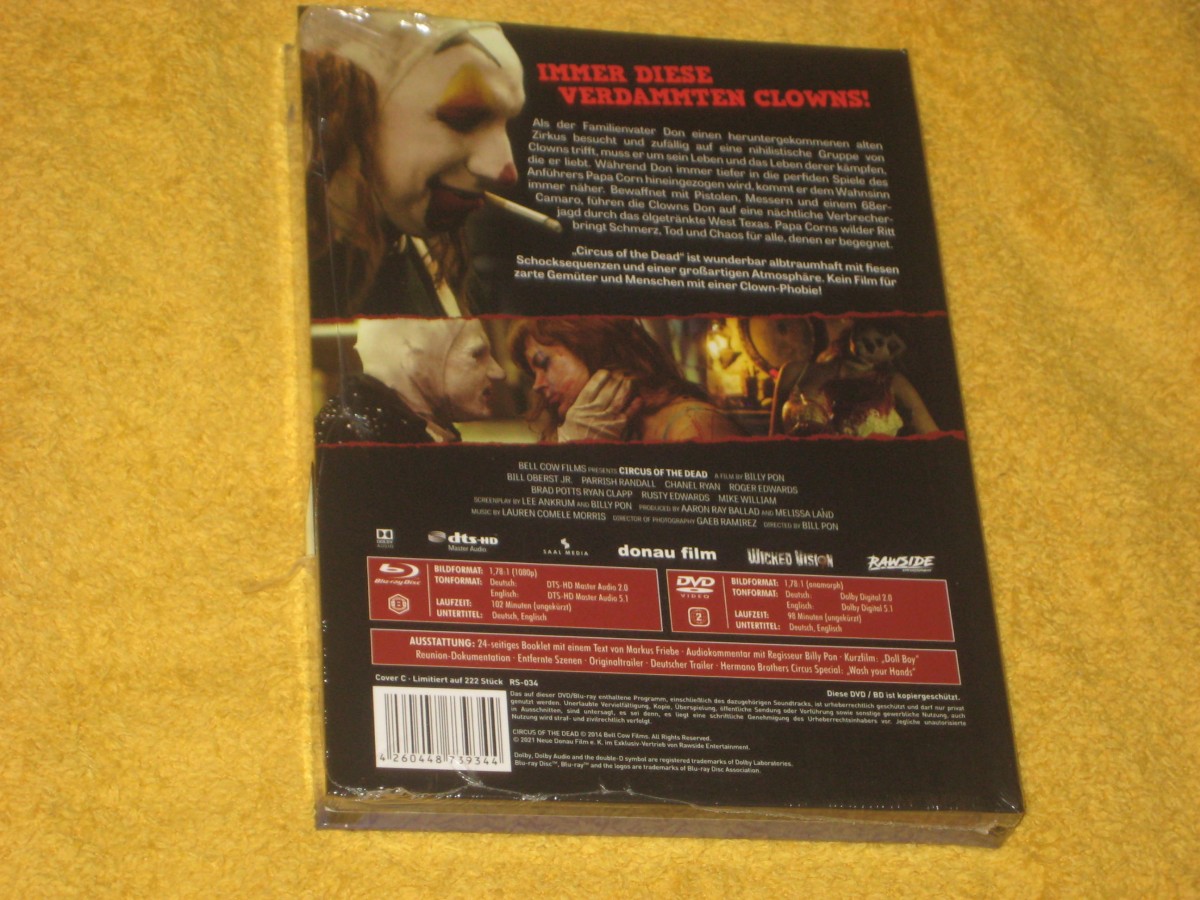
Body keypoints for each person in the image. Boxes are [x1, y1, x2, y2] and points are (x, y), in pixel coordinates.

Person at [300, 8, 525, 318]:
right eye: (464, 119)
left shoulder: (448, 276)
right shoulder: (294, 272)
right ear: (350, 108)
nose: (504, 171)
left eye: (505, 124)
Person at [509, 318, 744, 443]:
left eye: (544, 364)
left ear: (591, 346)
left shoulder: (693, 425)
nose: (537, 385)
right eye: (533, 374)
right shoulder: (567, 429)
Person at [316, 318, 504, 443]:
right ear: (416, 359)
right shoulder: (366, 439)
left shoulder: (419, 431)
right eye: (477, 354)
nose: (498, 372)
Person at [781, 319, 938, 437]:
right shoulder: (794, 372)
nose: (880, 343)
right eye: (881, 331)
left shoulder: (894, 383)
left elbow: (934, 439)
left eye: (891, 347)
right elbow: (775, 442)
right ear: (862, 324)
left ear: (891, 359)